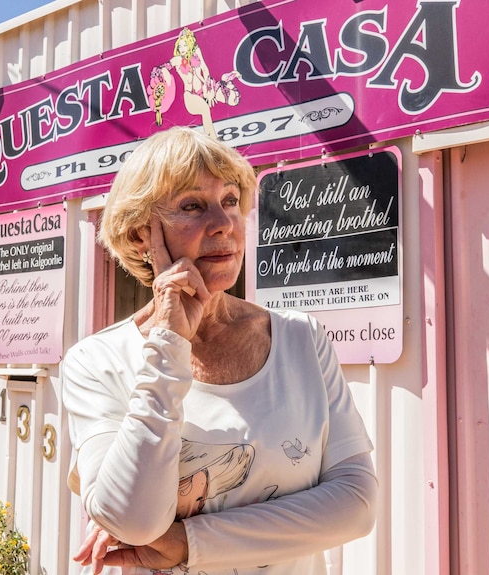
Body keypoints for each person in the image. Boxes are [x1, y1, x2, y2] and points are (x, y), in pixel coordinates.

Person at [61, 126, 378, 575]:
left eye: (231, 201)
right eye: (193, 206)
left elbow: (357, 503)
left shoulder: (301, 339)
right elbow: (133, 520)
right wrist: (168, 344)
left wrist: (189, 541)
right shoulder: (96, 361)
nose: (224, 223)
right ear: (138, 237)